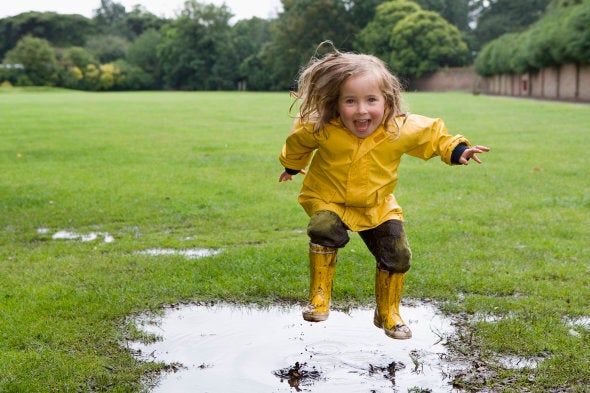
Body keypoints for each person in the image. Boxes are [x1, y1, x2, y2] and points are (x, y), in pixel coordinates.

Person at [278, 46, 489, 340]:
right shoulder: (323, 127)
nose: (361, 110)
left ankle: (388, 312)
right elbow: (298, 142)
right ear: (336, 103)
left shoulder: (398, 127)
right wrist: (291, 166)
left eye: (371, 100)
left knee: (398, 254)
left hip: (377, 205)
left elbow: (432, 135)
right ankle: (319, 297)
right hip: (329, 198)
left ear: (387, 101)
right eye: (350, 101)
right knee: (323, 226)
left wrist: (458, 150)